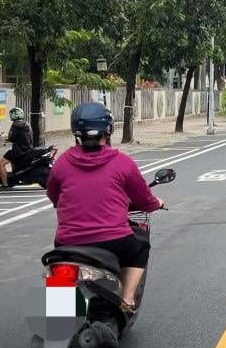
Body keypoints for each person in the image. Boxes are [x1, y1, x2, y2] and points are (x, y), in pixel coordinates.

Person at [46, 102, 163, 311]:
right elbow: (145, 201)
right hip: (114, 241)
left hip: (67, 241)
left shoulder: (62, 163)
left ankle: (57, 312)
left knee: (59, 268)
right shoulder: (123, 163)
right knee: (141, 247)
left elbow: (54, 197)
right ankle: (127, 299)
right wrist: (158, 203)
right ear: (108, 130)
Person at [0, 107, 34, 189]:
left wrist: (7, 139)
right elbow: (20, 136)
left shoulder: (15, 124)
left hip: (19, 150)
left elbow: (11, 137)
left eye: (12, 114)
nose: (11, 115)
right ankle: (14, 179)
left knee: (0, 163)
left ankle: (5, 185)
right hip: (27, 148)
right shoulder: (25, 123)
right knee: (12, 161)